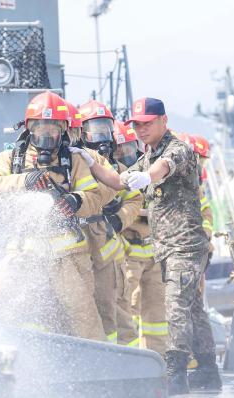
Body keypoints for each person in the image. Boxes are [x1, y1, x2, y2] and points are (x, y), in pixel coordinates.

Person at [0, 91, 116, 341]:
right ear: (29, 127)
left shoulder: (74, 160)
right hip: (22, 255)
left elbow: (94, 197)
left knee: (84, 320)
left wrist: (75, 201)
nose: (47, 134)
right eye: (41, 126)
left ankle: (97, 371)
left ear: (63, 129)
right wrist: (24, 180)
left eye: (53, 128)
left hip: (69, 260)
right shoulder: (11, 159)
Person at [120, 98, 222, 395]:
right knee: (193, 310)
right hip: (167, 248)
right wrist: (88, 163)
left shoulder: (179, 149)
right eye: (137, 125)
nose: (141, 129)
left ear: (163, 121)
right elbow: (120, 179)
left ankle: (175, 375)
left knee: (175, 306)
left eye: (147, 123)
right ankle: (208, 370)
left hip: (185, 247)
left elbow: (164, 168)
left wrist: (146, 176)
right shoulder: (148, 155)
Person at [70, 100, 142, 344]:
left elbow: (134, 197)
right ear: (81, 131)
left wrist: (119, 219)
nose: (101, 136)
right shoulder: (73, 162)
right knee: (81, 310)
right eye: (94, 129)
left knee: (115, 310)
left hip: (108, 251)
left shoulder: (114, 168)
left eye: (105, 129)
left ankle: (124, 364)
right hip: (76, 248)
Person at [114, 123, 169, 353]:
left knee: (157, 314)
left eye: (129, 149)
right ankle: (132, 360)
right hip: (129, 255)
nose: (126, 155)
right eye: (120, 150)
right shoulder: (114, 177)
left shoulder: (147, 171)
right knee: (128, 309)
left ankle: (159, 360)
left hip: (154, 253)